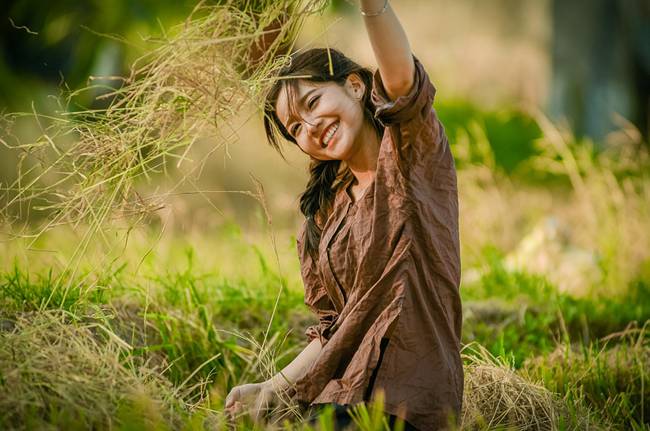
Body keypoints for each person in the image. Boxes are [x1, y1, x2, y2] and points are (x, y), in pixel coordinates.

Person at [225, 1, 463, 429]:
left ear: (355, 86)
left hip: (410, 403)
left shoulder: (411, 156)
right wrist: (270, 388)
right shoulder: (325, 218)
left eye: (313, 102)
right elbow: (335, 328)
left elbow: (402, 82)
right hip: (337, 401)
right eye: (295, 128)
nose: (311, 126)